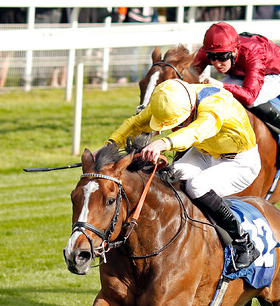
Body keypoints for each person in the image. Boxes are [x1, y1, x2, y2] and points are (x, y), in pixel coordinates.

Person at [106, 79, 261, 270]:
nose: (174, 129)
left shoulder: (216, 103)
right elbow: (135, 123)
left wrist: (162, 143)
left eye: (178, 124)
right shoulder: (170, 98)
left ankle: (244, 242)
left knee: (196, 186)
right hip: (205, 153)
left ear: (190, 108)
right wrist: (109, 147)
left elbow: (196, 132)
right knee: (169, 182)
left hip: (240, 162)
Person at [191, 22, 280, 158]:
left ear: (234, 51)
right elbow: (190, 73)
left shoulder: (253, 52)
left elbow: (249, 96)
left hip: (274, 73)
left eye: (222, 57)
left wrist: (220, 85)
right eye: (211, 57)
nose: (216, 63)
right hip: (241, 72)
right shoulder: (212, 49)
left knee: (250, 102)